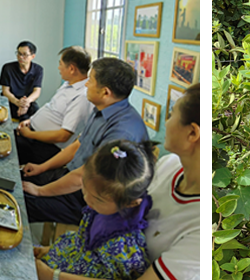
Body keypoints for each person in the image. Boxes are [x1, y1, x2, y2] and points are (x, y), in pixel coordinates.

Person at [33, 84, 202, 280]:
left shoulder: (200, 230)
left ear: (192, 133)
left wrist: (52, 275)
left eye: (172, 114)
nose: (167, 122)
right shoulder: (168, 165)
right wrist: (52, 251)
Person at [21, 57, 148, 225]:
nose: (86, 84)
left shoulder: (121, 131)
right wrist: (41, 168)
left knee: (20, 204)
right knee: (17, 179)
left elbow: (85, 177)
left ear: (105, 92)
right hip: (70, 174)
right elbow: (78, 145)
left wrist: (39, 191)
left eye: (91, 80)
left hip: (89, 198)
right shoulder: (101, 109)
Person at [33, 140, 156, 280]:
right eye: (84, 188)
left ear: (130, 203)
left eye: (98, 199)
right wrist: (48, 250)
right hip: (62, 262)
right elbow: (81, 239)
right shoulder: (100, 209)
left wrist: (51, 276)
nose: (87, 200)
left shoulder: (123, 246)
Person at [16, 46, 94, 165]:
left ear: (72, 69)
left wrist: (30, 134)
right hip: (32, 134)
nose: (59, 68)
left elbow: (63, 136)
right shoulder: (68, 84)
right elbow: (50, 107)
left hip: (42, 146)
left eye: (61, 64)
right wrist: (30, 121)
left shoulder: (81, 97)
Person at [0, 40, 43, 120]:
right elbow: (5, 91)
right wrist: (17, 102)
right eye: (19, 53)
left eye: (25, 55)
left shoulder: (38, 70)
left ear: (33, 56)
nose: (20, 57)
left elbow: (37, 91)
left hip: (28, 101)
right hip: (11, 100)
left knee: (36, 116)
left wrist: (26, 103)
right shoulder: (8, 68)